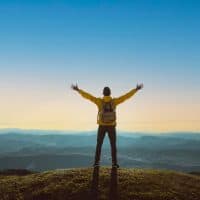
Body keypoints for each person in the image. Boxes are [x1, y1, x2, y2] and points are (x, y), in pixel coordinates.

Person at [71, 83, 143, 168]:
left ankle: (96, 163)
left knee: (99, 144)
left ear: (103, 93)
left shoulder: (99, 101)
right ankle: (114, 163)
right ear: (110, 93)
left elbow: (88, 96)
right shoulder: (114, 102)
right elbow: (126, 96)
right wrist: (136, 89)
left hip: (102, 126)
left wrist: (78, 90)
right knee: (113, 145)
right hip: (112, 126)